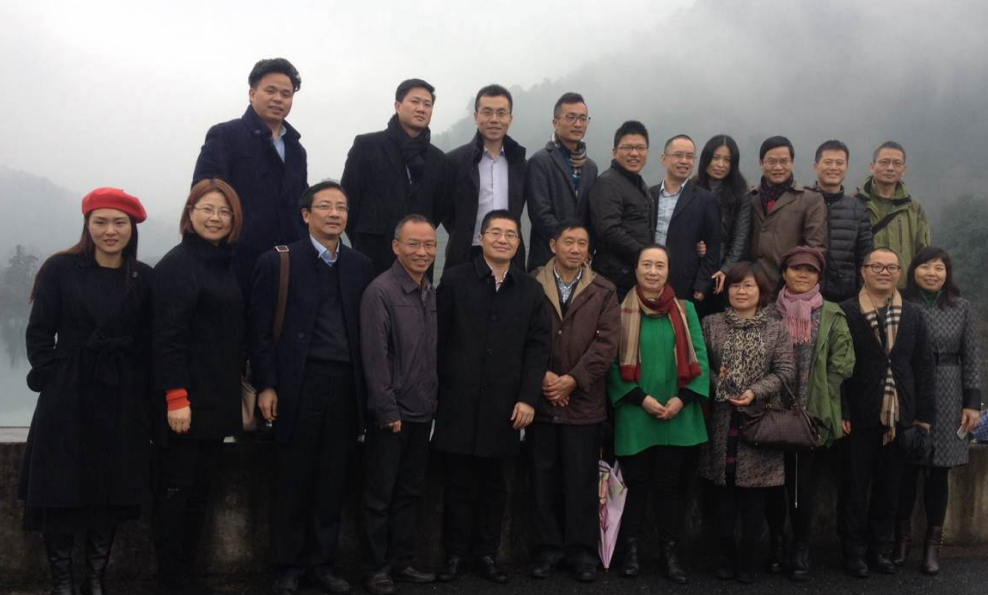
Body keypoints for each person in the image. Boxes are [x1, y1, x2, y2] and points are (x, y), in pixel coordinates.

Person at [21, 188, 151, 595]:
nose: (110, 230)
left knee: (110, 487)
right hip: (67, 393)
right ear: (87, 225)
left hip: (120, 393)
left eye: (119, 222)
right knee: (60, 485)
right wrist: (52, 376)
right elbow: (39, 332)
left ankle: (95, 580)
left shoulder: (142, 276)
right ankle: (62, 583)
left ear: (131, 228)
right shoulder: (60, 269)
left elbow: (148, 339)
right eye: (101, 222)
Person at [249, 181, 374, 595]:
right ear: (306, 215)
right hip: (297, 384)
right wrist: (267, 384)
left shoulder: (360, 266)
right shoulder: (277, 261)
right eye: (325, 206)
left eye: (342, 207)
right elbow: (260, 332)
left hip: (345, 385)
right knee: (292, 477)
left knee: (332, 479)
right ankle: (288, 566)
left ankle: (323, 564)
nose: (335, 214)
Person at [433, 210, 549, 584]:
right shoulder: (454, 281)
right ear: (481, 238)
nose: (503, 239)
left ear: (519, 242)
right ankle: (454, 554)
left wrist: (528, 398)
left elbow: (538, 348)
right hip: (458, 401)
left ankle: (486, 553)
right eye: (495, 232)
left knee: (496, 486)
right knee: (458, 483)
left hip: (506, 405)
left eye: (510, 234)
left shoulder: (530, 290)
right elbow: (437, 340)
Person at [152, 179, 245, 595]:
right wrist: (176, 397)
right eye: (206, 209)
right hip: (184, 404)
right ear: (190, 215)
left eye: (224, 211)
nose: (215, 218)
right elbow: (167, 337)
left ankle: (187, 575)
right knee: (175, 493)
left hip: (215, 401)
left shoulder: (223, 263)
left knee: (200, 493)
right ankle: (171, 580)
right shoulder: (178, 265)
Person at [607, 245, 710, 584]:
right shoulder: (619, 309)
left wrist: (682, 399)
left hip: (678, 413)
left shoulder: (685, 309)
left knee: (670, 487)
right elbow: (611, 363)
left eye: (660, 265)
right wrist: (641, 399)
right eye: (647, 265)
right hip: (636, 412)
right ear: (636, 269)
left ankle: (670, 553)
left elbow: (700, 358)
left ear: (669, 270)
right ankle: (630, 551)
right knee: (634, 485)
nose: (653, 272)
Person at [528, 221, 620, 582]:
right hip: (542, 400)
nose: (576, 249)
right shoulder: (532, 283)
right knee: (543, 481)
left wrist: (572, 380)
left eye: (582, 243)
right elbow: (521, 335)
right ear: (553, 245)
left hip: (584, 402)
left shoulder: (604, 289)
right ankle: (546, 550)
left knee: (582, 482)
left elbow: (606, 345)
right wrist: (543, 377)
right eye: (569, 242)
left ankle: (582, 554)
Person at [838, 248, 935, 578]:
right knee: (853, 486)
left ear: (899, 273)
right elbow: (836, 367)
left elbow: (923, 366)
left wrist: (924, 417)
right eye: (876, 266)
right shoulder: (846, 312)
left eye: (891, 267)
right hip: (858, 413)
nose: (884, 272)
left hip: (900, 414)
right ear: (863, 271)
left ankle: (879, 549)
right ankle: (852, 551)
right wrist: (842, 410)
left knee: (889, 487)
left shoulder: (913, 314)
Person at [359, 215, 440, 595]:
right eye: (413, 244)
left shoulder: (428, 290)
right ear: (396, 246)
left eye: (429, 245)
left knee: (410, 492)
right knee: (379, 495)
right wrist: (386, 409)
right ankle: (375, 568)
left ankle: (401, 561)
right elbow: (374, 357)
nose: (422, 251)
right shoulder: (380, 291)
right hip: (392, 414)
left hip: (422, 410)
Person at [765, 246, 855, 581]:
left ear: (819, 276)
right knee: (771, 484)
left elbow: (843, 362)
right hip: (772, 411)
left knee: (802, 487)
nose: (803, 274)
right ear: (784, 273)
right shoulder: (769, 313)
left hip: (811, 414)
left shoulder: (832, 314)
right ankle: (777, 543)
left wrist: (824, 398)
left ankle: (800, 547)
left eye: (810, 270)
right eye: (796, 268)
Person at [700, 262, 795, 584]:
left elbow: (785, 371)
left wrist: (755, 392)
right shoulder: (711, 323)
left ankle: (748, 559)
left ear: (761, 291)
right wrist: (723, 389)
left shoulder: (776, 329)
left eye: (748, 286)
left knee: (755, 496)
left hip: (760, 418)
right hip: (722, 417)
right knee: (723, 491)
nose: (741, 291)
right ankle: (725, 557)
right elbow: (701, 364)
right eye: (736, 285)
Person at [896, 247, 981, 575]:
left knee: (939, 470)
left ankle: (932, 547)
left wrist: (971, 402)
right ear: (913, 270)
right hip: (910, 386)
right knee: (905, 468)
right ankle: (901, 540)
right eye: (926, 267)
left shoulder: (961, 307)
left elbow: (971, 357)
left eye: (939, 268)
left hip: (949, 387)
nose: (932, 273)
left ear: (947, 274)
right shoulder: (901, 302)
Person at [192, 58, 307, 298]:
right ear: (252, 94)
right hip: (236, 263)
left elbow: (301, 202)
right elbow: (204, 193)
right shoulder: (226, 136)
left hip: (287, 263)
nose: (278, 99)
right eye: (270, 91)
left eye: (286, 94)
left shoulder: (296, 149)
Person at [342, 79, 446, 274]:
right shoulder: (367, 146)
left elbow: (438, 209)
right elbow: (348, 200)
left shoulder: (438, 159)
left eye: (427, 104)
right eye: (415, 102)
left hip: (419, 259)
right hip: (371, 254)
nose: (421, 109)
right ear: (397, 106)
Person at [441, 84, 527, 271]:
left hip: (509, 254)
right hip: (466, 254)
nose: (494, 119)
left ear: (510, 119)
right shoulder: (455, 161)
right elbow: (446, 212)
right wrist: (463, 231)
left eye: (501, 113)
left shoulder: (520, 164)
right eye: (487, 112)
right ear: (475, 116)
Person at [526, 92, 598, 270]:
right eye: (571, 117)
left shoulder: (590, 167)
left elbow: (591, 215)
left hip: (580, 260)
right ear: (555, 122)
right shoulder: (540, 161)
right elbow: (540, 214)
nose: (578, 124)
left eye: (583, 118)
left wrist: (585, 247)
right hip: (546, 258)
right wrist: (569, 244)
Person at [748, 136, 828, 292]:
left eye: (784, 161)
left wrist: (793, 278)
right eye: (771, 162)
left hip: (789, 288)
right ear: (761, 163)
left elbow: (815, 248)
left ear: (792, 163)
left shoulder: (810, 199)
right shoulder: (751, 198)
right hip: (753, 287)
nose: (778, 167)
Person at [650, 134, 721, 303]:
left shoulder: (706, 200)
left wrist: (702, 284)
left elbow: (713, 248)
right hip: (649, 277)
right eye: (678, 155)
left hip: (685, 283)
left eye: (689, 156)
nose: (684, 161)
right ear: (664, 159)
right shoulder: (649, 194)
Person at [589, 121, 653, 297]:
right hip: (614, 279)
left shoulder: (638, 183)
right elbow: (608, 229)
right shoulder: (607, 183)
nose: (634, 153)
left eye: (640, 148)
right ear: (614, 151)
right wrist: (644, 255)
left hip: (634, 274)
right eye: (627, 148)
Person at [854, 141, 930, 289]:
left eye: (897, 163)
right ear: (872, 166)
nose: (890, 168)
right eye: (884, 162)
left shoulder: (914, 208)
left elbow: (924, 254)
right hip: (861, 290)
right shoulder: (853, 204)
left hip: (903, 291)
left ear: (904, 169)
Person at [693, 135, 752, 311]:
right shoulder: (692, 187)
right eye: (716, 158)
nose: (720, 164)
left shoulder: (741, 192)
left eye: (727, 160)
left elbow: (741, 236)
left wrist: (726, 269)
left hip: (725, 270)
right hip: (695, 267)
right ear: (706, 158)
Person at [810, 140, 873, 302]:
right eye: (828, 162)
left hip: (846, 298)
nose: (833, 167)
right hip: (805, 293)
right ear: (815, 166)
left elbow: (866, 257)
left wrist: (861, 296)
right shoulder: (802, 202)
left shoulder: (857, 208)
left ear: (846, 167)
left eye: (839, 163)